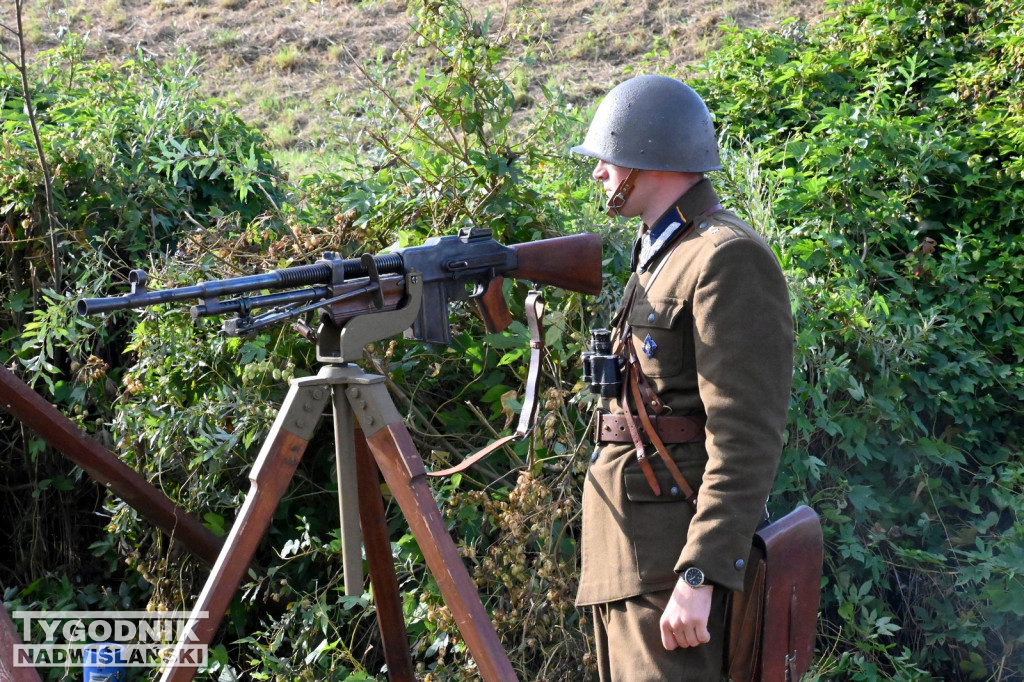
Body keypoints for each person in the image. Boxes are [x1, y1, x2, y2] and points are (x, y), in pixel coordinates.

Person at [573, 75, 794, 680]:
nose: (601, 174)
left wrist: (701, 572)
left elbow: (745, 434)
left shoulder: (725, 256)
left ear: (651, 158)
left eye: (611, 159)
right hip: (629, 553)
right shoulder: (664, 250)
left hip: (673, 562)